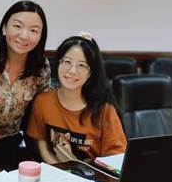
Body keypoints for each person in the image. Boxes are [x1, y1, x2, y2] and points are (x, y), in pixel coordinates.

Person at [27, 33, 127, 163]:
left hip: (95, 174)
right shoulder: (42, 101)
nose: (72, 71)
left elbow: (114, 160)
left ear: (90, 72)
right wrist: (60, 170)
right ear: (58, 64)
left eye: (81, 65)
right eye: (67, 62)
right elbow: (42, 142)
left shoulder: (104, 110)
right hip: (55, 172)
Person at [0, 0, 50, 170]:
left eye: (34, 30)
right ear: (4, 28)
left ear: (41, 36)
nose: (24, 36)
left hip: (7, 142)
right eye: (17, 26)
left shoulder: (41, 67)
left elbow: (40, 112)